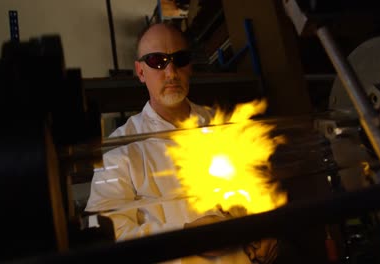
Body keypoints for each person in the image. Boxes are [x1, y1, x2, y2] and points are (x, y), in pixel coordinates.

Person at [85, 22, 278, 264]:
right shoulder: (120, 148)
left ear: (191, 66)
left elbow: (255, 194)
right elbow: (108, 237)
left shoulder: (221, 126)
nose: (171, 72)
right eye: (157, 61)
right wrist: (186, 236)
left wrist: (264, 229)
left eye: (180, 59)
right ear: (140, 71)